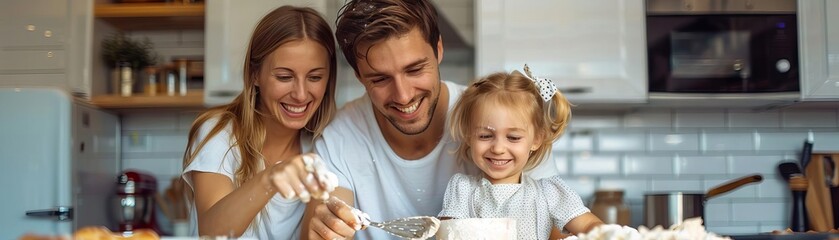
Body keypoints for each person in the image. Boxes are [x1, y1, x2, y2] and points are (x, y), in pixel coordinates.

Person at [300, 0, 478, 239]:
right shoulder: (339, 139)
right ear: (359, 77)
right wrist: (328, 228)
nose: (404, 96)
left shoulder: (492, 122)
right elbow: (329, 214)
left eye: (414, 70)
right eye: (380, 79)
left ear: (438, 49)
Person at [181, 6, 338, 239]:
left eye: (315, 77)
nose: (301, 94)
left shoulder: (326, 143)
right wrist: (270, 178)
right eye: (284, 77)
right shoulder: (219, 133)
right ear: (255, 74)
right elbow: (212, 231)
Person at [439, 66, 604, 239]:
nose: (498, 148)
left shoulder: (549, 193)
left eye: (513, 137)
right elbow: (448, 235)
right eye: (485, 135)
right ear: (469, 136)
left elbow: (590, 225)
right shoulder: (462, 190)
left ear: (536, 140)